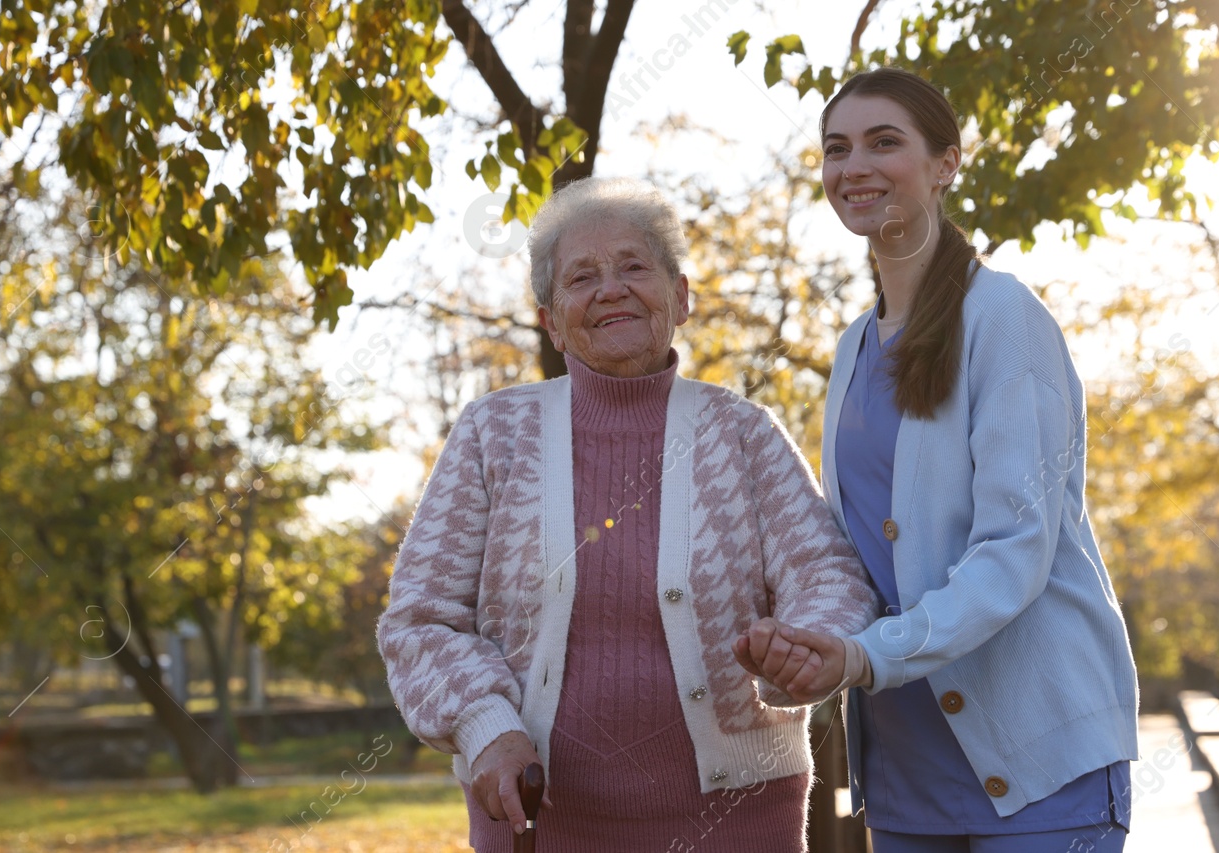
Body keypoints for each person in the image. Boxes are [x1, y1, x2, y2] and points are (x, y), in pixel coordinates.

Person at [377, 176, 879, 852]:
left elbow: (830, 574)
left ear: (681, 297)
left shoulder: (743, 432)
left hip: (737, 820)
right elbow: (421, 614)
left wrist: (805, 645)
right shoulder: (493, 433)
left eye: (634, 266)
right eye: (581, 277)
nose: (610, 288)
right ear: (553, 322)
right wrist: (486, 725)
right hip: (538, 820)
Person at [734, 67, 1140, 852]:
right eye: (836, 149)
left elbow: (1015, 550)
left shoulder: (1005, 316)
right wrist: (802, 643)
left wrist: (861, 655)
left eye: (884, 143)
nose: (855, 167)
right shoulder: (853, 347)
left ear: (946, 162)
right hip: (905, 769)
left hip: (1038, 758)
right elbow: (852, 558)